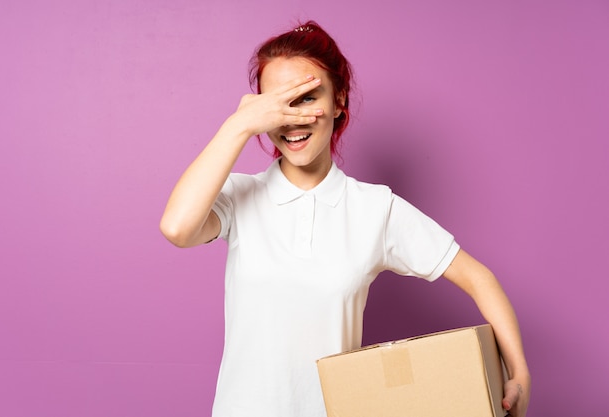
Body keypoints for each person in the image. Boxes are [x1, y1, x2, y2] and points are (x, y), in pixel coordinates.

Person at [160, 20, 531, 417]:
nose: (291, 119)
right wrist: (238, 125)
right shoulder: (237, 194)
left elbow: (479, 279)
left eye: (306, 97)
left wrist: (519, 374)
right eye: (276, 104)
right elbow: (177, 228)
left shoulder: (374, 209)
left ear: (338, 101)